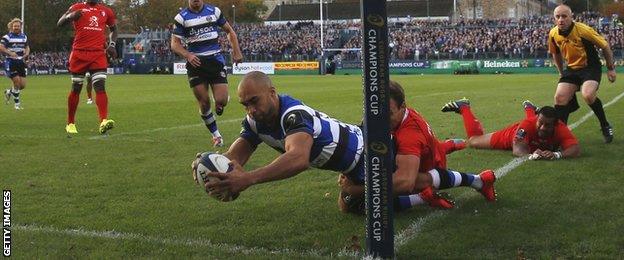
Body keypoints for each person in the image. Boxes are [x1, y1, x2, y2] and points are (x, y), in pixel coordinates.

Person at [195, 72, 467, 213]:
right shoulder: (255, 121)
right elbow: (235, 158)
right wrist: (217, 171)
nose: (250, 109)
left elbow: (298, 158)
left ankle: (447, 186)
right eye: (245, 105)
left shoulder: (294, 115)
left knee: (398, 185)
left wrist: (249, 179)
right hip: (350, 157)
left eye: (254, 101)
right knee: (348, 206)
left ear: (272, 93)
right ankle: (428, 186)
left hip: (364, 153)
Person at [337, 81, 496, 214]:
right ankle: (455, 152)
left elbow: (405, 182)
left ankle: (425, 195)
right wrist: (349, 171)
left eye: (389, 113)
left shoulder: (409, 135)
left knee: (357, 204)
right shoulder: (382, 117)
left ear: (403, 107)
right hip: (411, 158)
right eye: (376, 112)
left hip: (425, 171)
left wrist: (356, 189)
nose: (381, 119)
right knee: (346, 201)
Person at [170, 0, 243, 147]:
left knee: (221, 100)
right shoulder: (181, 18)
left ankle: (220, 102)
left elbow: (229, 31)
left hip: (215, 61)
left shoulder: (214, 11)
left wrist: (236, 51)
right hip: (195, 63)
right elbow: (174, 44)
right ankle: (216, 135)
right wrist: (188, 55)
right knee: (204, 102)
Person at [548, 4, 617, 143]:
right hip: (572, 69)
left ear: (571, 17)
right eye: (557, 17)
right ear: (554, 18)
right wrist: (562, 73)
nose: (561, 19)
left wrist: (610, 68)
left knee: (588, 95)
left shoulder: (583, 30)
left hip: (590, 67)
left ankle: (605, 125)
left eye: (564, 16)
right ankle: (560, 136)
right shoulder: (553, 33)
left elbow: (605, 46)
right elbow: (555, 54)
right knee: (559, 98)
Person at [441, 98, 580, 160]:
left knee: (534, 128)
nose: (543, 127)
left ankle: (530, 109)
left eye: (547, 125)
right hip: (509, 137)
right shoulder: (527, 125)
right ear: (537, 119)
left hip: (530, 134)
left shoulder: (561, 128)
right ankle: (464, 107)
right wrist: (532, 155)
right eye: (541, 123)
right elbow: (518, 150)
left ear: (555, 124)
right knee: (473, 141)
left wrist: (557, 155)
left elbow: (575, 149)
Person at [57, 0, 117, 135]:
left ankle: (103, 121)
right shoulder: (77, 7)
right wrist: (70, 17)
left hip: (98, 53)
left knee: (100, 86)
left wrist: (112, 44)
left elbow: (114, 29)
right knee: (76, 88)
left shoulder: (106, 11)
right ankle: (70, 123)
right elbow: (59, 23)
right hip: (79, 52)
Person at [1, 18, 29, 110]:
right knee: (16, 81)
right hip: (10, 62)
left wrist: (27, 53)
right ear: (11, 27)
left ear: (20, 26)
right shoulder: (7, 37)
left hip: (20, 62)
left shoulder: (24, 36)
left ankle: (9, 91)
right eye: (15, 26)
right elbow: (1, 47)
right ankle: (17, 105)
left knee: (22, 86)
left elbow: (27, 46)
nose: (16, 27)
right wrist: (10, 53)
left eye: (18, 26)